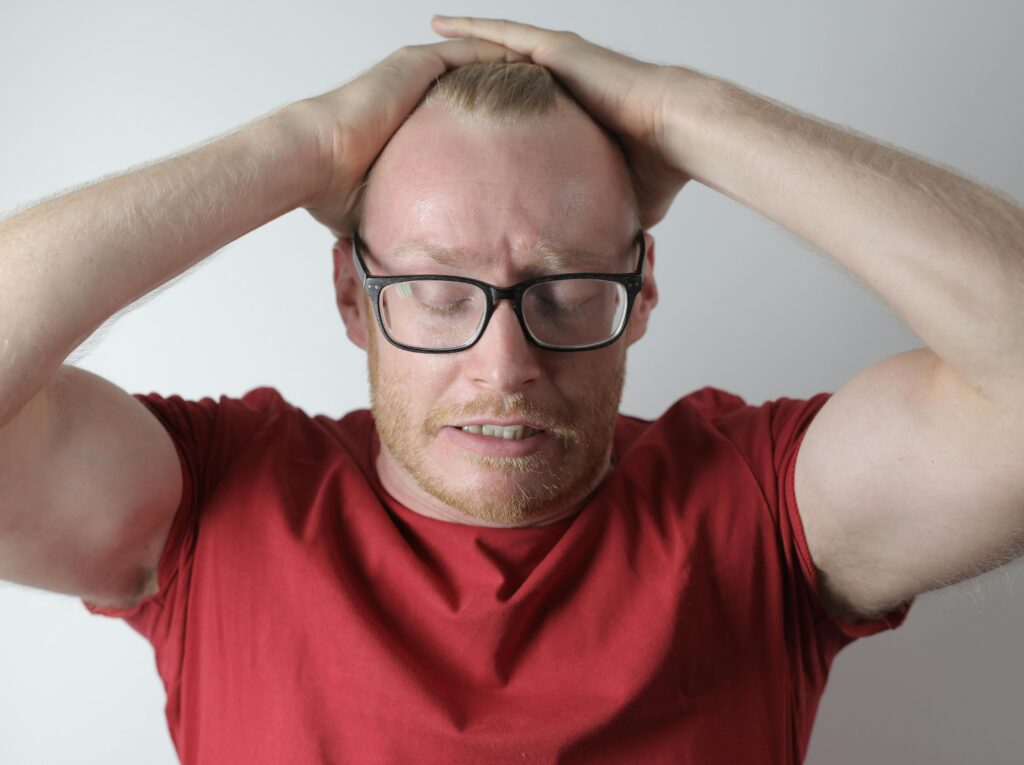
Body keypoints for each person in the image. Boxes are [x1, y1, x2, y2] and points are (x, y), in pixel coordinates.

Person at [1, 14, 1022, 763]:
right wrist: (298, 149)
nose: (505, 367)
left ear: (642, 285)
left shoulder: (756, 510)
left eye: (569, 289)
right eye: (439, 292)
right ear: (354, 298)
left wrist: (685, 112)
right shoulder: (216, 505)